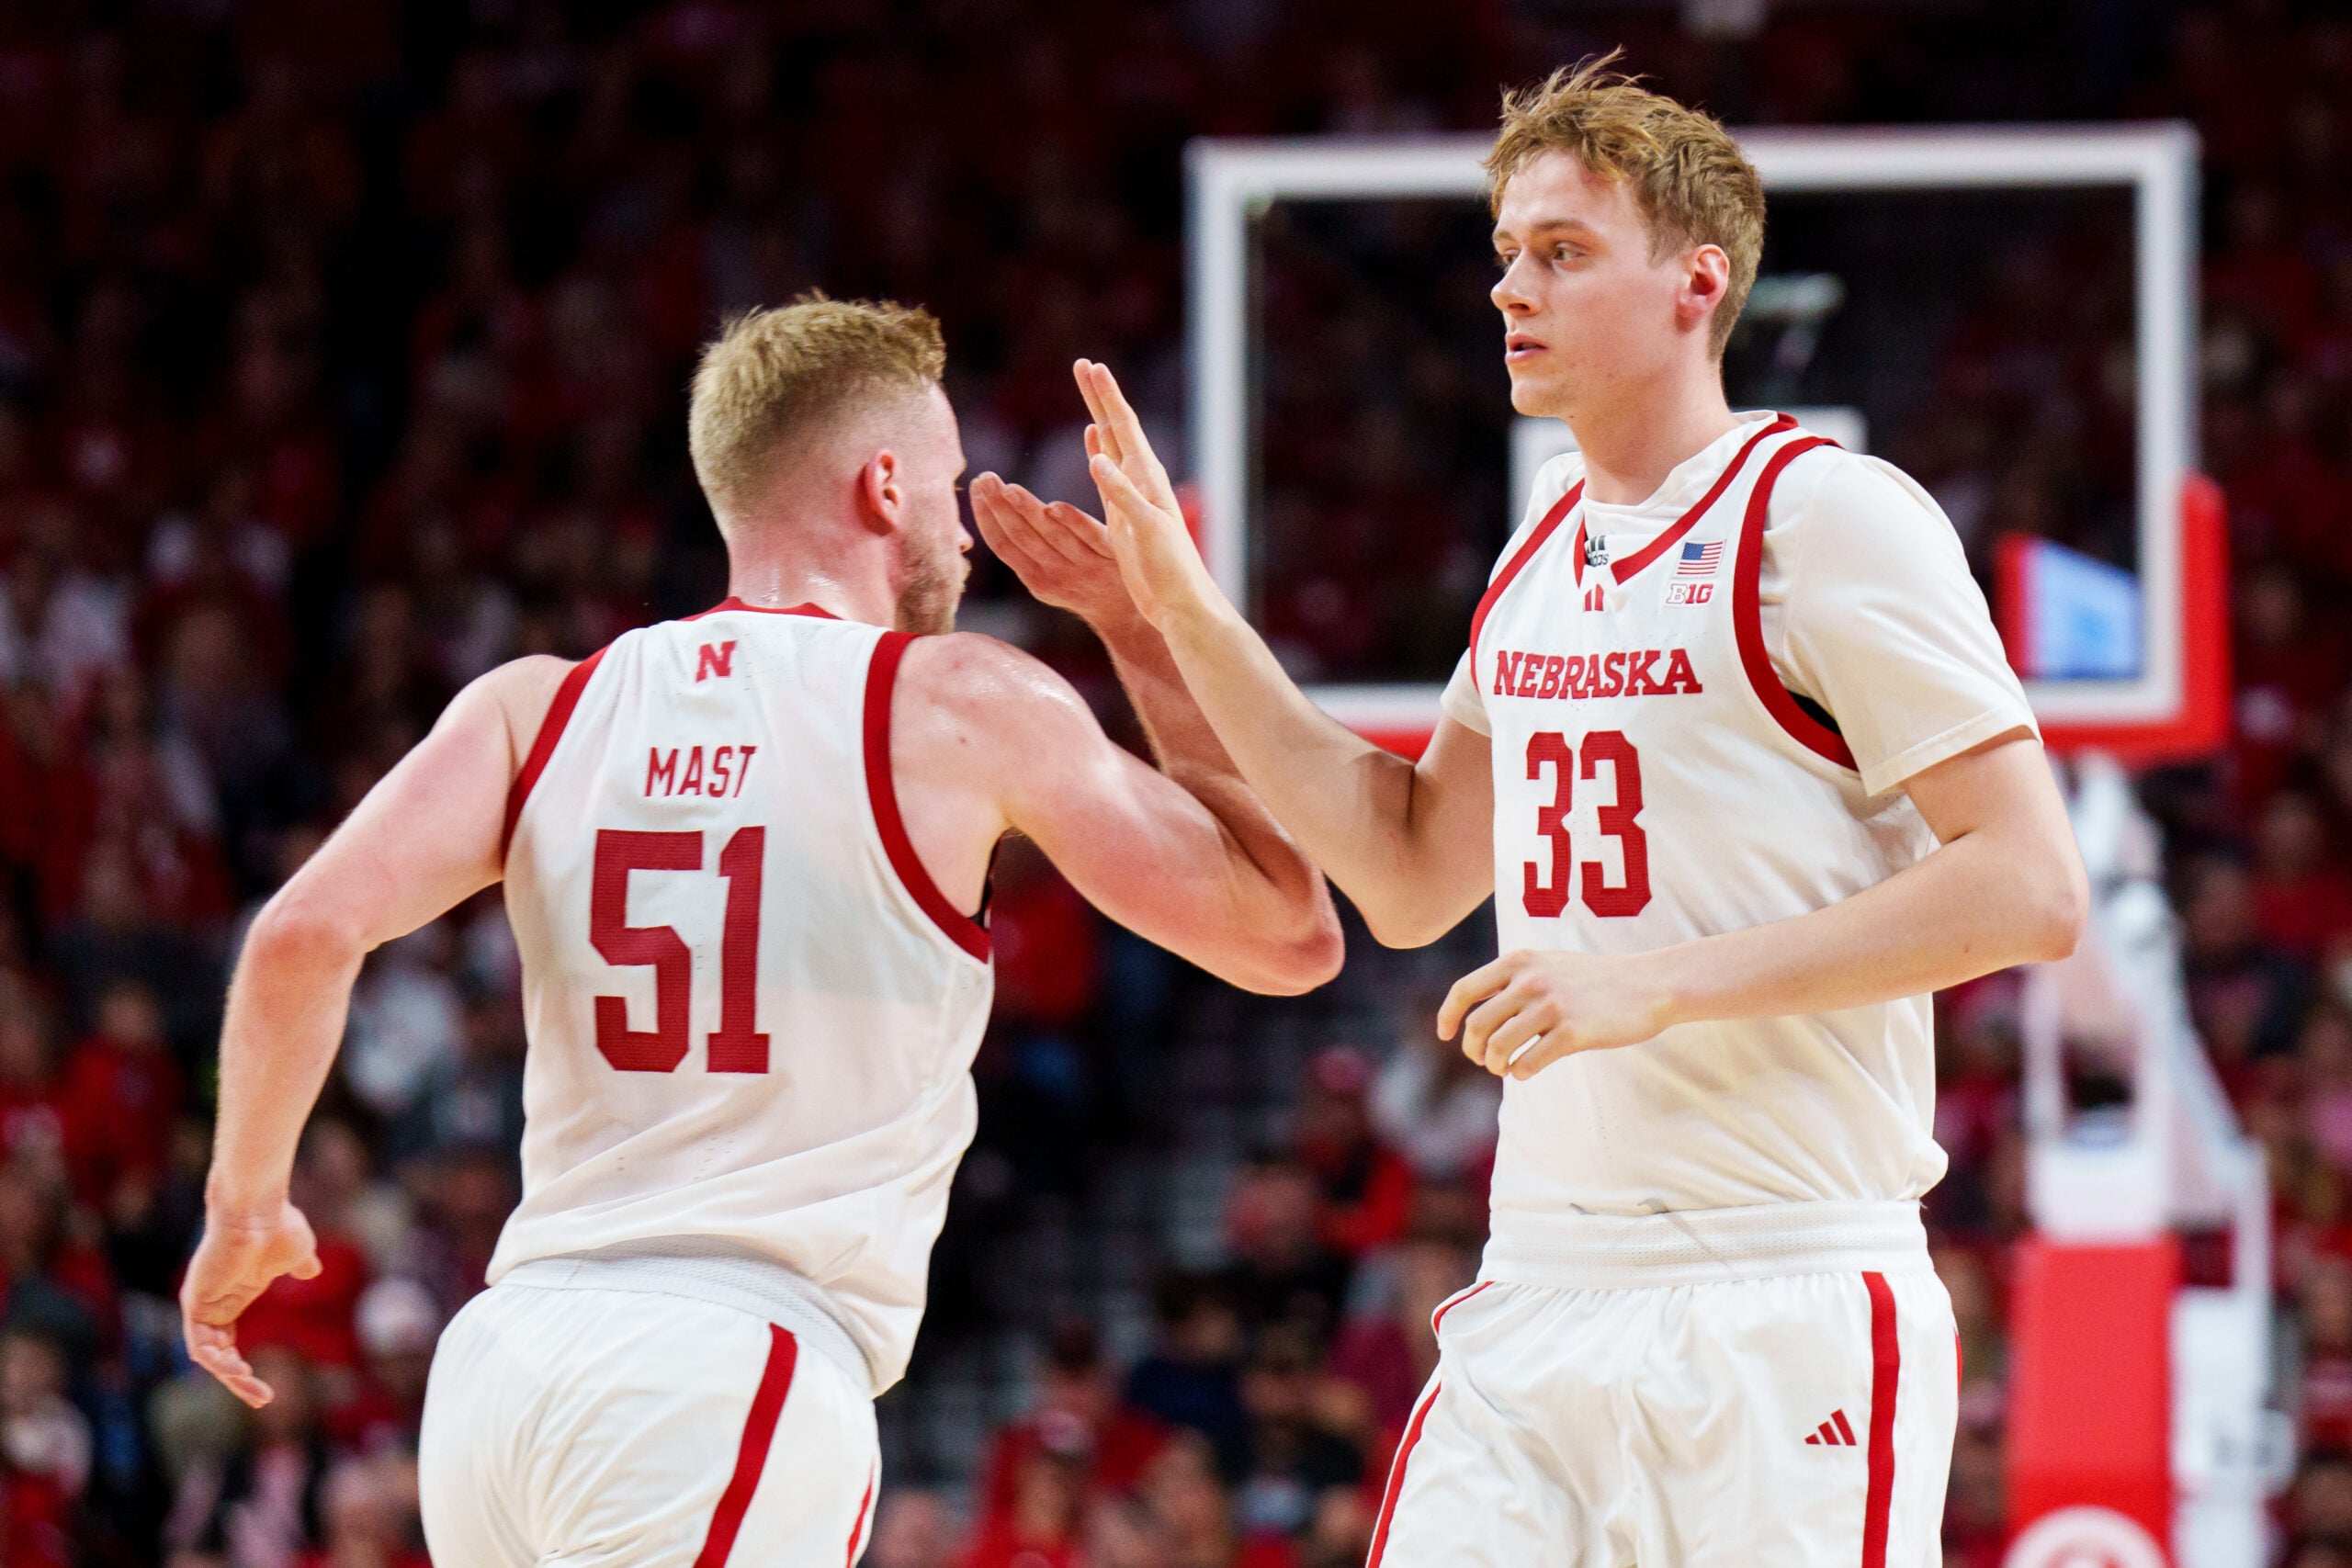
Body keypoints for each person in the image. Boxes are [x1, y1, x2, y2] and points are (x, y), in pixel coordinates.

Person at [991, 56, 2088, 1568]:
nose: (1515, 287)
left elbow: (2031, 885)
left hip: (1778, 1288)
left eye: (1563, 254)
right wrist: (1181, 612)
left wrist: (1653, 985)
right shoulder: (1541, 552)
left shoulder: (1828, 517)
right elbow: (1403, 868)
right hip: (1545, 1284)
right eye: (1506, 253)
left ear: (1697, 283)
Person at [178, 295, 1343, 1567]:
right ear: (884, 484)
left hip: (505, 1365)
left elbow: (301, 931)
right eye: (949, 486)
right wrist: (1143, 626)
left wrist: (244, 1204)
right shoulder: (957, 701)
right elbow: (1287, 933)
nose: (961, 529)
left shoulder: (537, 708)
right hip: (724, 1363)